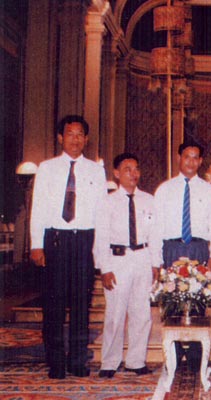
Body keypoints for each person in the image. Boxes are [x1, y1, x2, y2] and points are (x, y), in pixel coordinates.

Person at [30, 115, 106, 379]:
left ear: (86, 139)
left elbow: (100, 213)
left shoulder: (96, 170)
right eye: (70, 134)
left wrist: (99, 251)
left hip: (83, 241)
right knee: (54, 306)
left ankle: (77, 361)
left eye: (80, 134)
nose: (75, 139)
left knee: (80, 306)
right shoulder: (46, 168)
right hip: (55, 241)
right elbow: (38, 207)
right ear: (61, 137)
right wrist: (36, 245)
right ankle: (55, 363)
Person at [153, 139, 211, 372]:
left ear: (201, 161)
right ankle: (173, 356)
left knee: (198, 301)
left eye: (196, 157)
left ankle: (195, 357)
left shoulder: (208, 190)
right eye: (187, 156)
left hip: (198, 248)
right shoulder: (164, 190)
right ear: (179, 158)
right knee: (171, 302)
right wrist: (156, 260)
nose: (191, 161)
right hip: (171, 248)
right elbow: (155, 227)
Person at [94, 153, 161, 378]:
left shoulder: (149, 200)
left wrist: (155, 263)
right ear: (116, 173)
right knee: (115, 313)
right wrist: (104, 268)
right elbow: (101, 236)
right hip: (117, 259)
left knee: (141, 313)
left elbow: (155, 234)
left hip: (142, 258)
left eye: (136, 169)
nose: (133, 174)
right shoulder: (107, 201)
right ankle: (110, 362)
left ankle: (136, 360)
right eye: (127, 169)